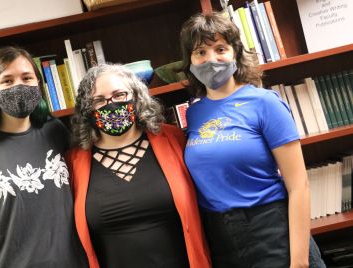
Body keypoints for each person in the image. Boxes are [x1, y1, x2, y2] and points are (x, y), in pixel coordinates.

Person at [180, 12, 325, 268]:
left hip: (271, 229)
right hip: (221, 238)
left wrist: (299, 262)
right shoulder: (194, 113)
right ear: (190, 60)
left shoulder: (264, 102)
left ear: (235, 52)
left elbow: (299, 186)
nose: (210, 59)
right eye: (200, 51)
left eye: (220, 49)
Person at [0, 46, 88, 268]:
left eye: (27, 77)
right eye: (7, 80)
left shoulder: (55, 131)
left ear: (39, 84)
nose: (19, 86)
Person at [67, 63, 211, 268]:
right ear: (87, 109)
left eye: (119, 95)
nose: (111, 104)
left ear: (136, 97)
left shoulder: (174, 139)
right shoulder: (73, 163)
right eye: (99, 100)